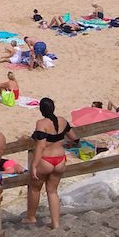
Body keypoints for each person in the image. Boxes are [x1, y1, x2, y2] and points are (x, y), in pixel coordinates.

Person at [24, 97, 72, 228]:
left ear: (41, 110)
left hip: (46, 160)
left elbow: (40, 146)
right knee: (52, 191)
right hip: (60, 159)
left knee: (35, 189)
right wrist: (66, 143)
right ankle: (55, 223)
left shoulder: (41, 123)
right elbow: (74, 137)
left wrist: (34, 165)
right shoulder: (62, 121)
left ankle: (31, 217)